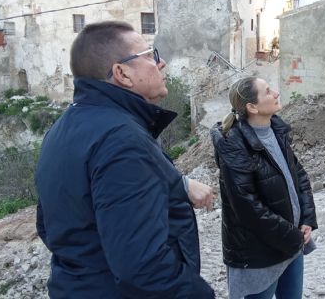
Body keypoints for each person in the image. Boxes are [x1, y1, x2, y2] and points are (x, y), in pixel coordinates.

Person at [35, 21, 215, 298]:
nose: (161, 63)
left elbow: (49, 227)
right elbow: (144, 267)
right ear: (122, 73)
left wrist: (178, 185)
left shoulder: (63, 129)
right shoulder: (122, 140)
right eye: (150, 56)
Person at [210, 76, 318, 299]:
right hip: (259, 254)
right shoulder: (233, 144)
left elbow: (299, 176)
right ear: (252, 107)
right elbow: (248, 207)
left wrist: (306, 219)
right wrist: (293, 236)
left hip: (290, 244)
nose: (276, 93)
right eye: (267, 91)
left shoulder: (276, 130)